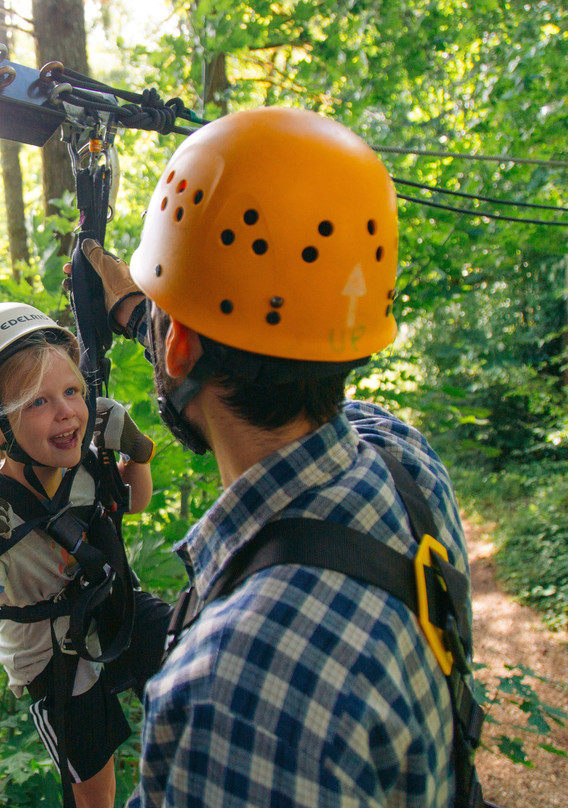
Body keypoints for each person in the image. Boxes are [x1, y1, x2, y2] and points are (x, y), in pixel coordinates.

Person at [80, 107, 481, 807]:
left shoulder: (236, 691)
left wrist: (162, 316)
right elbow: (239, 343)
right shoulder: (399, 455)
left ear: (179, 345)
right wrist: (145, 315)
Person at [0, 302, 172, 808]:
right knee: (95, 787)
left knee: (189, 656)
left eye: (72, 392)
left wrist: (136, 452)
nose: (67, 412)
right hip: (50, 655)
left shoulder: (85, 465)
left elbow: (134, 500)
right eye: (39, 402)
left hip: (112, 606)